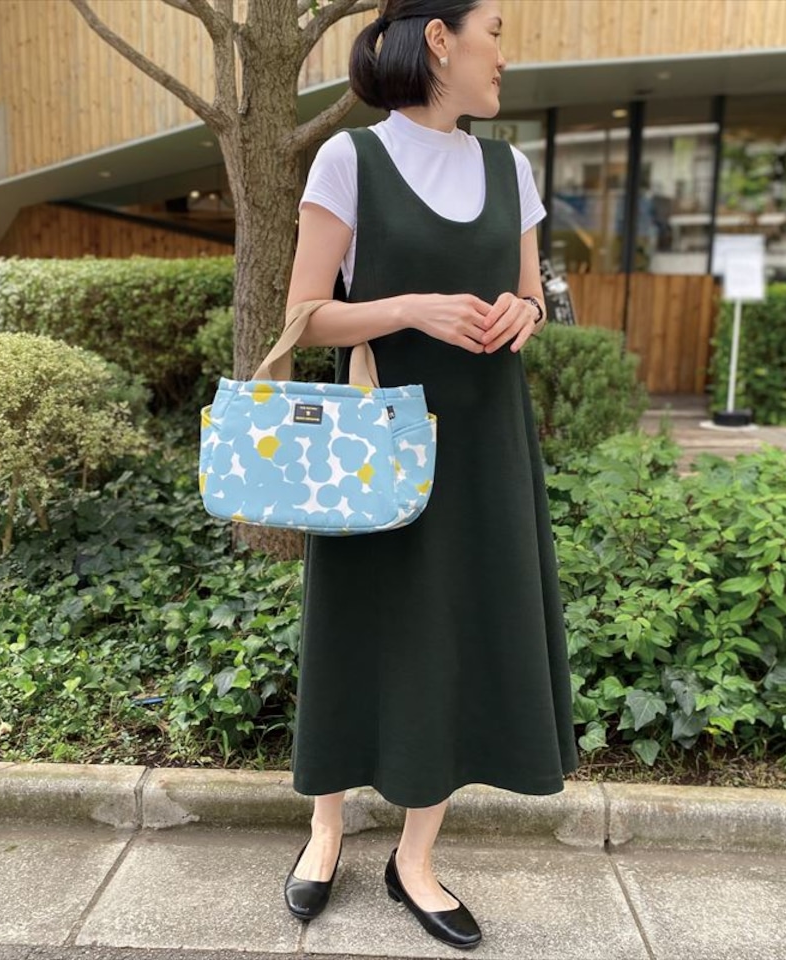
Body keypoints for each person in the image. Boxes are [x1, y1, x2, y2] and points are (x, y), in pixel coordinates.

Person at [280, 0, 578, 949]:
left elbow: (529, 292)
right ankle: (326, 830)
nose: (505, 55)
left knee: (453, 629)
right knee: (359, 620)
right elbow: (303, 316)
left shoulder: (509, 166)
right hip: (379, 435)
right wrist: (410, 308)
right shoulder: (351, 158)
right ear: (441, 40)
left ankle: (415, 858)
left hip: (484, 440)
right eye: (496, 31)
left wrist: (527, 314)